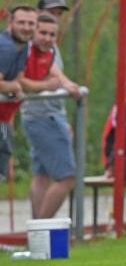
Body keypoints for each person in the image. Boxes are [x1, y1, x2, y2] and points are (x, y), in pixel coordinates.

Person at [20, 13, 82, 218]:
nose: (47, 37)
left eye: (51, 34)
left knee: (42, 175)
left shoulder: (50, 50)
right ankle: (41, 229)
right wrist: (50, 85)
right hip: (41, 116)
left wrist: (66, 84)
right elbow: (22, 82)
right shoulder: (24, 51)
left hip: (53, 115)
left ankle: (37, 235)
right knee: (67, 177)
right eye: (42, 32)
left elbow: (55, 72)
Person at [0, 5, 37, 182]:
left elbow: (20, 79)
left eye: (31, 23)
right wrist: (14, 88)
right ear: (10, 23)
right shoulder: (6, 48)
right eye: (21, 22)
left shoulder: (23, 46)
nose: (26, 27)